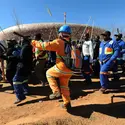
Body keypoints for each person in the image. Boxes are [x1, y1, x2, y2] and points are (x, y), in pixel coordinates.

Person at [32, 25, 73, 111]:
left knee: (49, 73)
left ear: (61, 33)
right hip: (70, 70)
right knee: (64, 87)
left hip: (61, 67)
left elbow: (44, 46)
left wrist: (33, 42)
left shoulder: (59, 42)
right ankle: (67, 103)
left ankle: (55, 91)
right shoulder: (71, 43)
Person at [13, 36, 33, 104]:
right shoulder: (29, 47)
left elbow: (22, 58)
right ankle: (26, 90)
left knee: (16, 80)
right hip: (28, 66)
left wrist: (17, 55)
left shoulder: (25, 48)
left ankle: (20, 97)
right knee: (24, 79)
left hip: (22, 66)